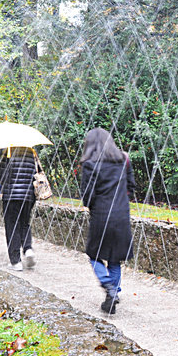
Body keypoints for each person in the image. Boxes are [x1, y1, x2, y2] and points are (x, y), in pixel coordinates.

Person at [79, 128, 135, 314]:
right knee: (115, 258)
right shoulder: (123, 159)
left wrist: (91, 205)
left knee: (93, 254)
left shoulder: (90, 164)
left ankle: (108, 285)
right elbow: (131, 187)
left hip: (101, 215)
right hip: (121, 215)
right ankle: (114, 293)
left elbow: (87, 195)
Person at [0, 146, 41, 271]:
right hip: (28, 195)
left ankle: (16, 262)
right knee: (24, 223)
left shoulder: (8, 152)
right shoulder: (31, 152)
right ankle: (28, 249)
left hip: (11, 195)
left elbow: (0, 174)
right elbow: (38, 172)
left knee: (12, 226)